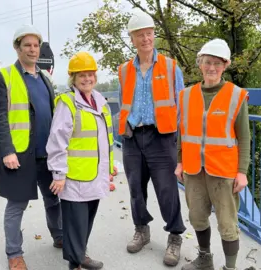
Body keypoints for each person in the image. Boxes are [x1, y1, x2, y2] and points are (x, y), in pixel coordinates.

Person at [0, 24, 63, 270]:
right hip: (20, 154)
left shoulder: (45, 78)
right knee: (16, 206)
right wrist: (6, 151)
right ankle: (14, 254)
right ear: (17, 48)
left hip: (47, 153)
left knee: (53, 199)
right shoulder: (4, 76)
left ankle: (60, 237)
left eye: (35, 45)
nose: (33, 50)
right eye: (27, 45)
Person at [117, 8, 186, 267]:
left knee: (167, 190)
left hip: (161, 137)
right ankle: (141, 230)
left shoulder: (170, 66)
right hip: (133, 137)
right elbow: (124, 102)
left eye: (149, 34)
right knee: (136, 188)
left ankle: (175, 236)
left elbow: (180, 105)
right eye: (140, 35)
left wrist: (179, 144)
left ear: (154, 36)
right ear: (132, 39)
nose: (146, 39)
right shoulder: (125, 70)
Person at [175, 38, 250, 270]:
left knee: (227, 223)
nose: (212, 68)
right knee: (197, 216)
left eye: (217, 63)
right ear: (200, 64)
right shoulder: (186, 95)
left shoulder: (236, 95)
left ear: (225, 65)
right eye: (208, 62)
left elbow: (244, 136)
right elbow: (182, 132)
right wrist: (179, 162)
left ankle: (230, 267)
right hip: (193, 168)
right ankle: (205, 260)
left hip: (224, 170)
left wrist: (242, 172)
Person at [46, 52, 116, 270]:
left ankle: (81, 255)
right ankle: (75, 264)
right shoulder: (68, 104)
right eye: (81, 75)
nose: (87, 79)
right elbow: (57, 141)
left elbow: (105, 139)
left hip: (95, 174)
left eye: (90, 74)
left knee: (86, 220)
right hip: (74, 176)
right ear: (73, 79)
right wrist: (58, 174)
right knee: (75, 223)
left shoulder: (101, 102)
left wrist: (109, 166)